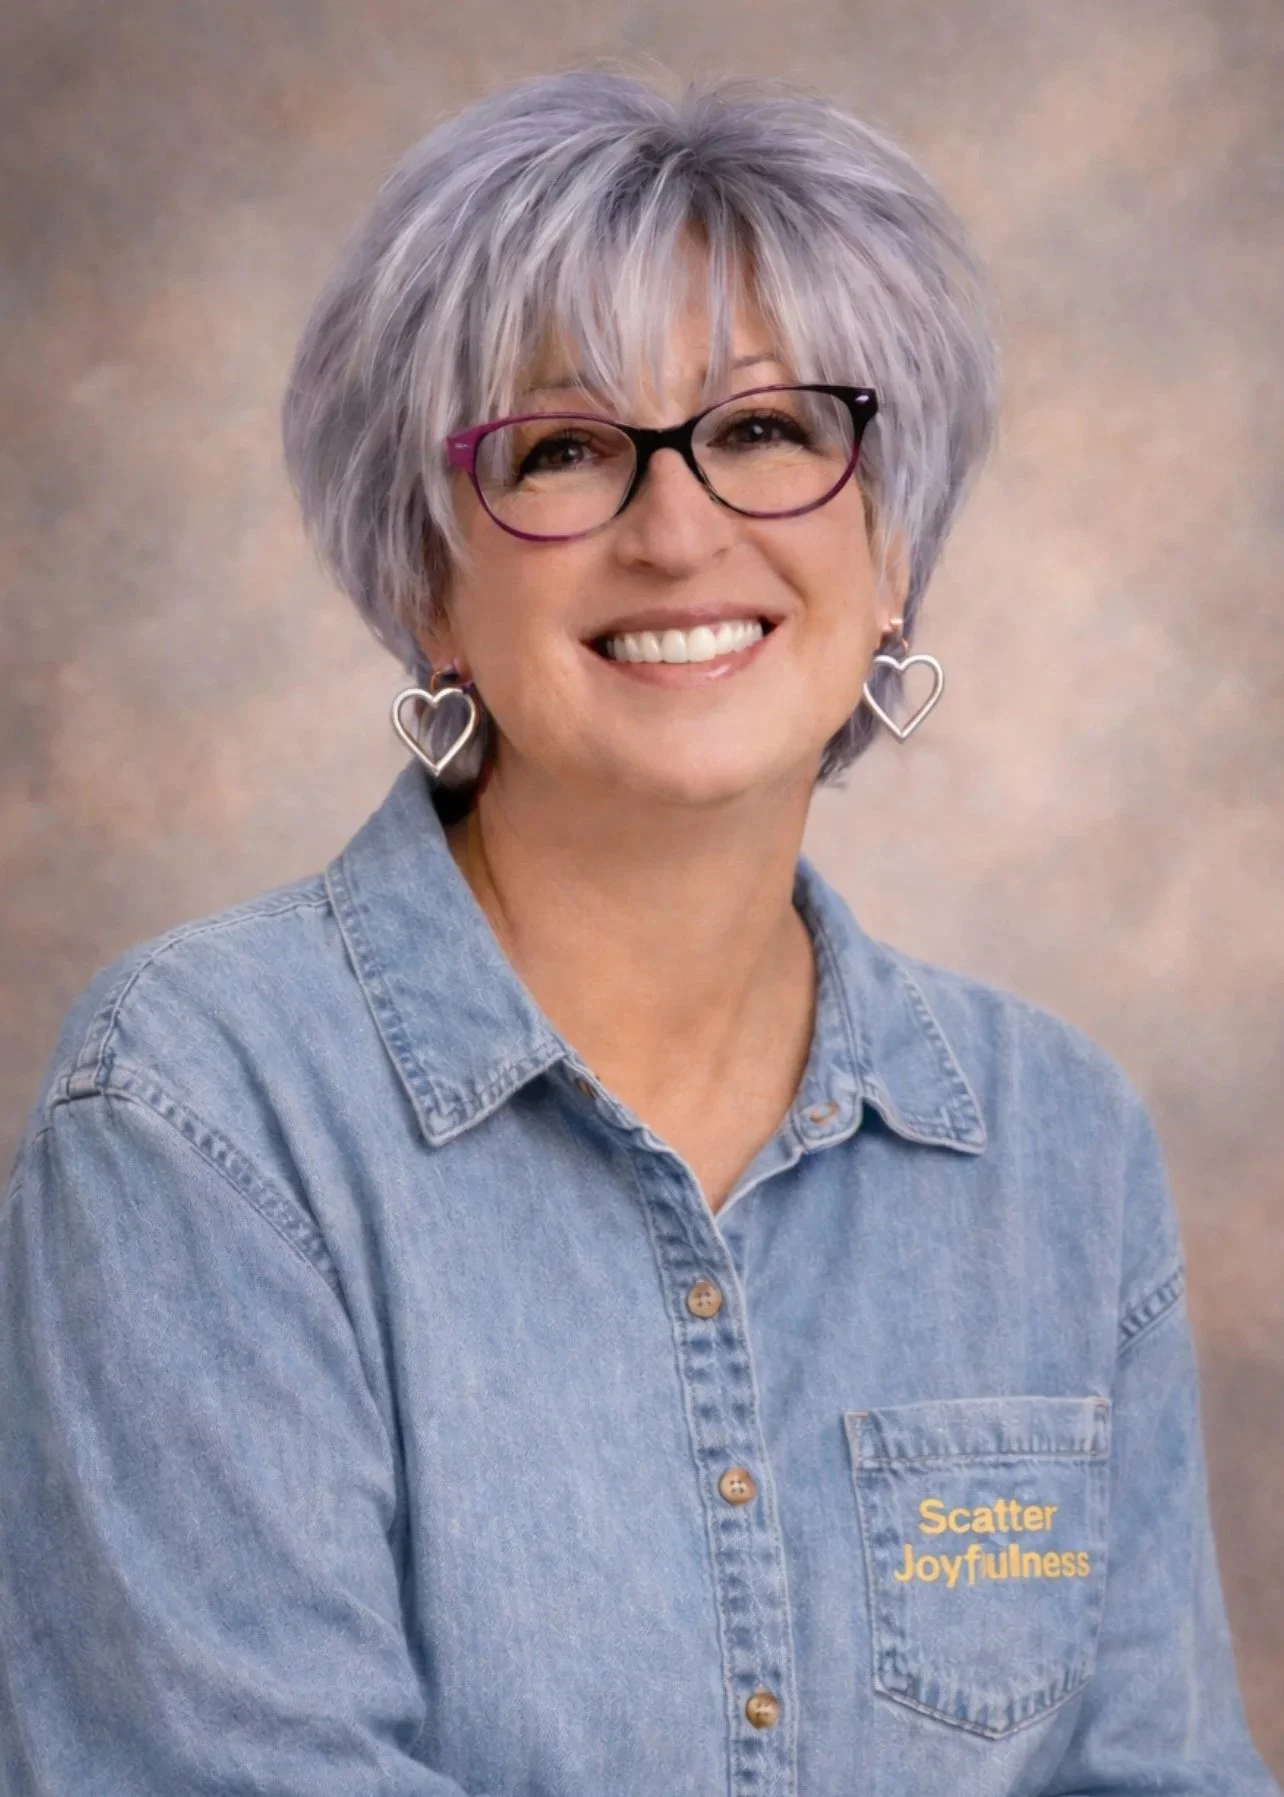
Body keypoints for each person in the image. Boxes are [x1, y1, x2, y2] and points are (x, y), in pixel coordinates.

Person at [0, 67, 1275, 1797]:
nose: (679, 530)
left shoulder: (1058, 1147)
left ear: (893, 544)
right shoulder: (201, 1121)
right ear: (428, 581)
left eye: (767, 429)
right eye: (567, 449)